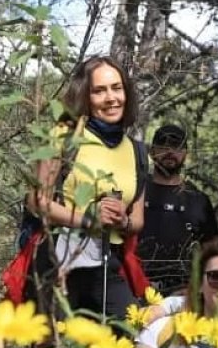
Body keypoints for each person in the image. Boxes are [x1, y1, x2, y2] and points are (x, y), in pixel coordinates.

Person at [26, 56, 148, 322]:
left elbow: (137, 220)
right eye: (99, 91)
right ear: (85, 95)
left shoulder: (137, 151)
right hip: (60, 260)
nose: (111, 98)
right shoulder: (65, 135)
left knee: (132, 332)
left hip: (108, 261)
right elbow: (36, 201)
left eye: (117, 88)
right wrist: (88, 220)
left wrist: (122, 220)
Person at [137, 124, 218, 295]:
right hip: (134, 284)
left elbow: (211, 251)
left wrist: (196, 287)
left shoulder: (198, 200)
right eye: (163, 145)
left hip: (182, 291)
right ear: (152, 152)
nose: (170, 151)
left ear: (185, 154)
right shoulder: (136, 190)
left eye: (176, 147)